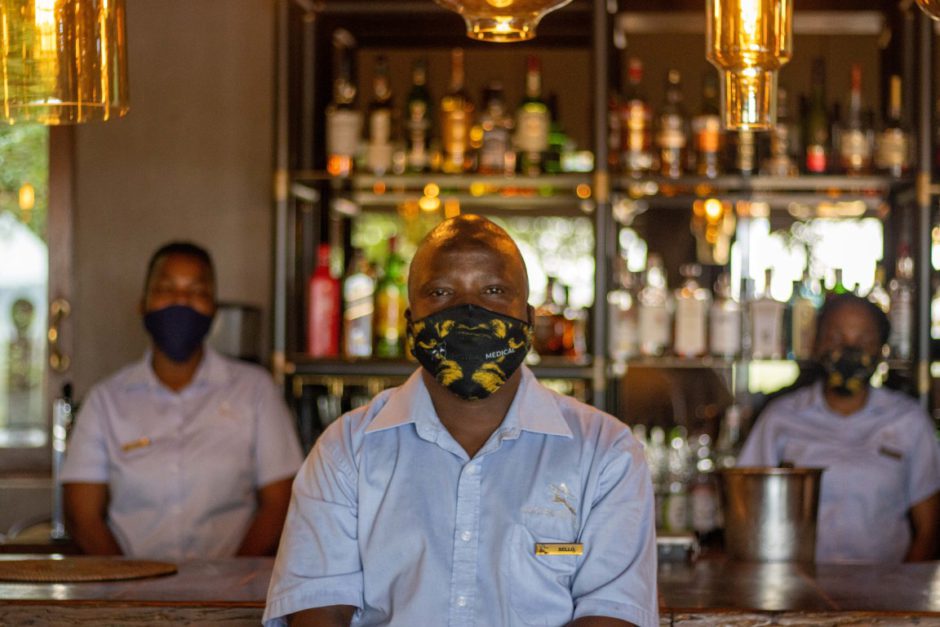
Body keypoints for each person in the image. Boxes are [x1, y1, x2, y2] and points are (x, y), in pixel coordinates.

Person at [263, 215, 658, 627]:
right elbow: (319, 607)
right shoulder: (347, 449)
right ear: (410, 323)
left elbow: (613, 614)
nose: (469, 311)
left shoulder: (604, 451)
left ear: (528, 319)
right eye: (440, 292)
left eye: (493, 290)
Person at [60, 241, 304, 559]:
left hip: (234, 596)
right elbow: (82, 517)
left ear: (214, 308)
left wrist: (227, 584)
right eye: (166, 288)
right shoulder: (105, 400)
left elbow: (282, 503)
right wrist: (131, 590)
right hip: (130, 598)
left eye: (196, 291)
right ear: (142, 304)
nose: (181, 301)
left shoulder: (255, 391)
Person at [738, 293, 940, 563]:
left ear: (881, 350)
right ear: (815, 344)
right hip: (799, 592)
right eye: (835, 338)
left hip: (884, 592)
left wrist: (901, 590)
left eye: (863, 341)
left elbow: (930, 530)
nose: (848, 350)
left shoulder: (909, 421)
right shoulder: (780, 419)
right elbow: (744, 510)